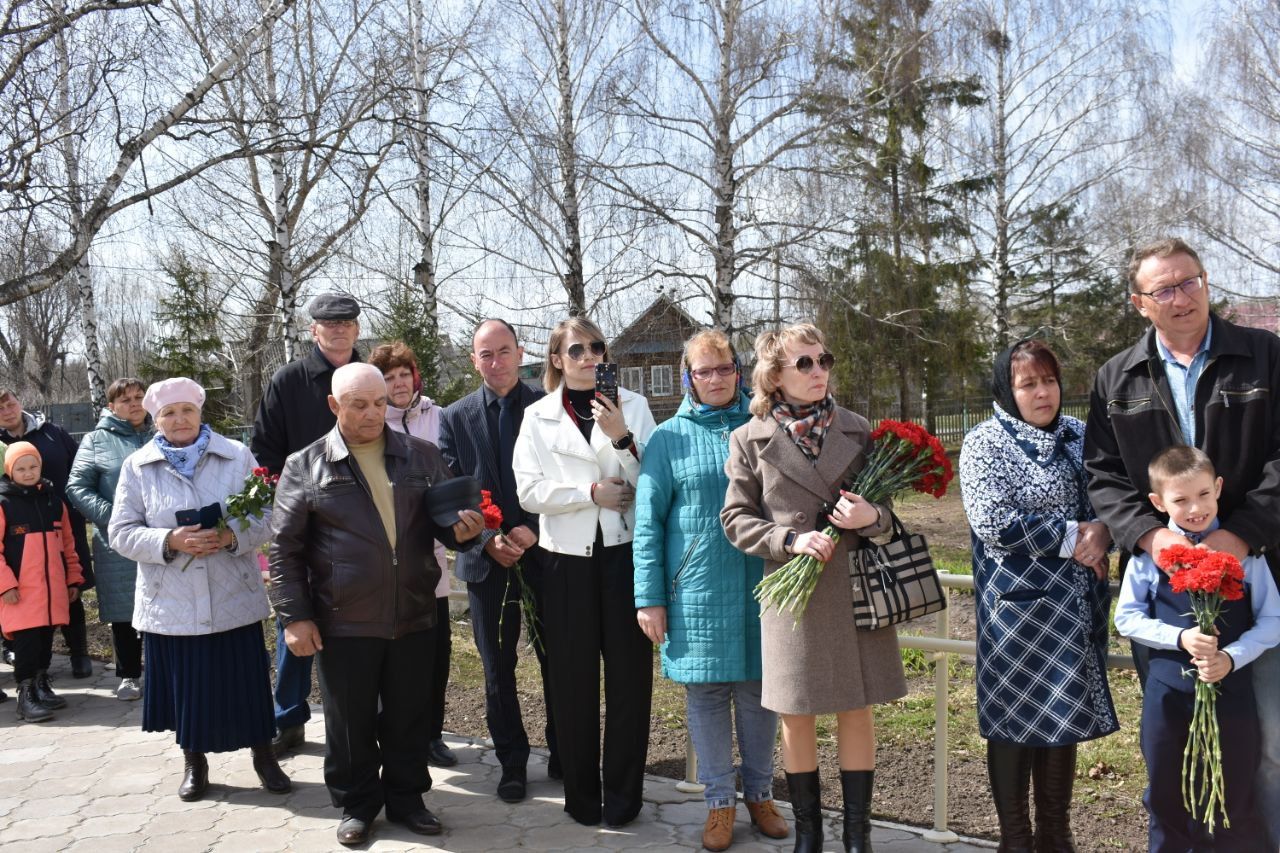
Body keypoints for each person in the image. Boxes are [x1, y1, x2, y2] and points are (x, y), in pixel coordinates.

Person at [1083, 237, 1280, 848]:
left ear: (1206, 282)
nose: (1181, 296)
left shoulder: (1263, 355)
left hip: (1259, 573)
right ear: (1141, 303)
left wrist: (1238, 535)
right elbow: (1102, 472)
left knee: (1268, 743)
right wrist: (1149, 537)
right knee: (1179, 741)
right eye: (1164, 289)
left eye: (1189, 280)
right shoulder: (1118, 377)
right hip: (1166, 587)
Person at [269, 363, 484, 846]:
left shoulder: (421, 456)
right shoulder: (305, 465)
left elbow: (446, 525)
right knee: (351, 722)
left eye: (379, 403)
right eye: (358, 404)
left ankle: (408, 799)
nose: (372, 414)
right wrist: (295, 617)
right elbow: (284, 550)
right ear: (333, 405)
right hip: (343, 618)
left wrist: (465, 534)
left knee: (410, 716)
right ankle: (358, 803)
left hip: (414, 611)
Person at [721, 323, 902, 853]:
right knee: (796, 715)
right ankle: (809, 835)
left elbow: (888, 517)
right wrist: (788, 540)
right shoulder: (748, 438)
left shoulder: (858, 428)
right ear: (774, 376)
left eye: (824, 359)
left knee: (856, 709)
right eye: (804, 363)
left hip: (853, 591)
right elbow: (734, 519)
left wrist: (871, 516)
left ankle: (856, 836)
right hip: (791, 594)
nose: (818, 370)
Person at [959, 340, 1118, 853]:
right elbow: (994, 523)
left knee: (1061, 717)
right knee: (1013, 721)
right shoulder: (986, 442)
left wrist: (1107, 530)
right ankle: (1015, 839)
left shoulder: (1079, 433)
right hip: (1018, 612)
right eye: (1028, 383)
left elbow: (1114, 493)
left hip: (1075, 607)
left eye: (1048, 381)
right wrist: (1079, 537)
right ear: (1008, 389)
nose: (1042, 392)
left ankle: (1055, 835)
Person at [634, 330, 788, 852]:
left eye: (724, 369)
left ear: (739, 372)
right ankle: (720, 803)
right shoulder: (667, 438)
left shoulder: (766, 425)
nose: (716, 379)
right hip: (695, 591)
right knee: (705, 697)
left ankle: (761, 795)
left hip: (761, 580)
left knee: (759, 693)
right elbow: (649, 523)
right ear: (688, 378)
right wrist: (648, 596)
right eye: (704, 371)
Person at [108, 378, 289, 802]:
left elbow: (269, 515)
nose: (179, 419)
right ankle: (194, 762)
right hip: (171, 602)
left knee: (246, 685)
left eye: (186, 410)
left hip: (232, 593)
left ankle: (265, 757)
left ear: (200, 412)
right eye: (169, 413)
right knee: (187, 689)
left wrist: (231, 537)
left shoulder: (235, 455)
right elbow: (120, 532)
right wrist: (169, 541)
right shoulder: (138, 466)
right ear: (156, 420)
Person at [511, 316, 658, 827]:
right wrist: (588, 494)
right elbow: (528, 491)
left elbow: (656, 480)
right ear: (557, 359)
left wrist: (620, 439)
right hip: (565, 561)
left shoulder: (633, 406)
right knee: (571, 683)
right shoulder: (537, 417)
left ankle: (623, 799)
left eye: (597, 347)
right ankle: (581, 797)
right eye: (577, 350)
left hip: (624, 555)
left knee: (630, 681)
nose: (590, 356)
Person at [1114, 446, 1279, 852]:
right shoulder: (1149, 558)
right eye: (1181, 499)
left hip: (1232, 697)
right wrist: (1179, 637)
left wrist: (1231, 657)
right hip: (1168, 696)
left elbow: (1272, 621)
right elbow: (1126, 618)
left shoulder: (1244, 553)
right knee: (1167, 793)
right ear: (1157, 502)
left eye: (1204, 494)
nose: (1195, 509)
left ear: (1219, 487)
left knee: (1232, 792)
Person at [439, 318, 559, 803]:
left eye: (504, 351)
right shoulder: (455, 416)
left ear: (520, 351)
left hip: (547, 554)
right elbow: (447, 492)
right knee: (496, 667)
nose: (496, 362)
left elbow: (564, 477)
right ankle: (512, 762)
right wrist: (488, 537)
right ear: (474, 360)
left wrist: (536, 527)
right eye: (485, 355)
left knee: (558, 660)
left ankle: (564, 752)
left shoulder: (548, 408)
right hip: (486, 562)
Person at [251, 292, 363, 755]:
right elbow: (264, 451)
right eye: (327, 323)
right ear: (313, 330)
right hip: (304, 520)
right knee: (294, 621)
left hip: (363, 520)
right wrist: (293, 501)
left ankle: (365, 718)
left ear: (357, 328)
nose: (337, 330)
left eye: (345, 323)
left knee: (362, 621)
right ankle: (289, 718)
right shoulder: (289, 381)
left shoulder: (369, 374)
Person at [368, 341, 456, 768]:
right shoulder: (370, 422)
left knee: (435, 652)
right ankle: (394, 735)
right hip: (385, 563)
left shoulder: (439, 418)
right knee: (392, 655)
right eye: (388, 377)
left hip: (432, 556)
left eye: (404, 374)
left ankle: (433, 734)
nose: (398, 383)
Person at [67, 378, 154, 702]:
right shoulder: (96, 440)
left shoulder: (160, 433)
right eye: (125, 399)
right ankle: (129, 675)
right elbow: (77, 486)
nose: (133, 403)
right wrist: (114, 517)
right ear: (111, 406)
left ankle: (164, 672)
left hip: (162, 535)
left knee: (167, 604)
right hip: (117, 539)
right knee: (124, 610)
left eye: (139, 397)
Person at [0, 387, 94, 678]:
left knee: (69, 586)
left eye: (9, 402)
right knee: (21, 596)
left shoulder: (52, 433)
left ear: (19, 402)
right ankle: (21, 656)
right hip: (16, 531)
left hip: (59, 522)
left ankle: (78, 652)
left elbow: (81, 469)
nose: (6, 410)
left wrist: (78, 506)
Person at [0, 442, 85, 722]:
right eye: (21, 468)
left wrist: (73, 578)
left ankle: (40, 684)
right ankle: (25, 695)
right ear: (10, 470)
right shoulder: (4, 503)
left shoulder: (53, 502)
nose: (28, 473)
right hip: (21, 592)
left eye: (33, 466)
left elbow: (68, 545)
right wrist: (6, 585)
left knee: (44, 640)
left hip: (52, 592)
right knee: (25, 644)